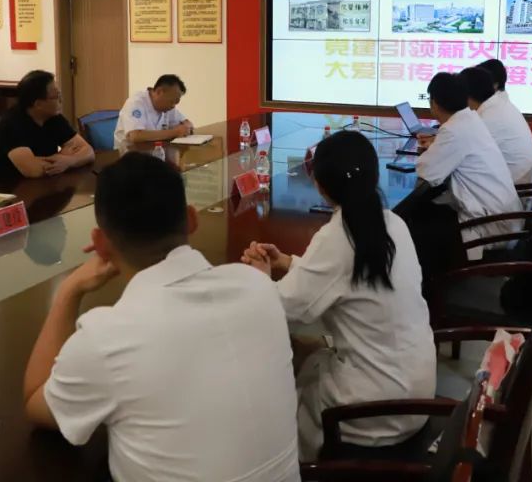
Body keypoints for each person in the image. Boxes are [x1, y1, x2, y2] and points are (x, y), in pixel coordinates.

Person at [23, 153, 299, 482]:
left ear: (100, 243)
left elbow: (35, 402)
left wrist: (69, 290)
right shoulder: (261, 288)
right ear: (192, 219)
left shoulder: (105, 338)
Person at [241, 131, 436, 461]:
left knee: (287, 369)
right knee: (310, 351)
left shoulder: (337, 236)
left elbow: (281, 310)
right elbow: (346, 275)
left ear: (319, 185)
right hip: (416, 391)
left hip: (373, 410)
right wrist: (288, 262)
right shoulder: (392, 223)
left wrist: (260, 276)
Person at [400, 73, 523, 270]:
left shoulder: (454, 130)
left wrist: (432, 151)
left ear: (434, 103)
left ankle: (428, 280)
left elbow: (427, 172)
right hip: (503, 214)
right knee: (424, 210)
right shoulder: (469, 119)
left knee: (415, 223)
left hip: (491, 224)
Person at [0, 70, 94, 182]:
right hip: (5, 187)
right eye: (56, 96)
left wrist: (69, 161)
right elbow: (34, 170)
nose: (61, 100)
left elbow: (89, 151)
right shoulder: (10, 124)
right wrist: (63, 156)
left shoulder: (54, 118)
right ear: (38, 104)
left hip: (42, 184)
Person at [458, 66, 532, 184]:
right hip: (521, 178)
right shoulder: (498, 105)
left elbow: (459, 154)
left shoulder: (487, 117)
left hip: (514, 186)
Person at [113, 74, 194, 150]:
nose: (173, 106)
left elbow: (186, 123)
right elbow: (135, 136)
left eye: (176, 102)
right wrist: (175, 132)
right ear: (159, 92)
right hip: (129, 154)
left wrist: (187, 127)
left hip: (154, 152)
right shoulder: (136, 102)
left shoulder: (168, 107)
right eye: (172, 101)